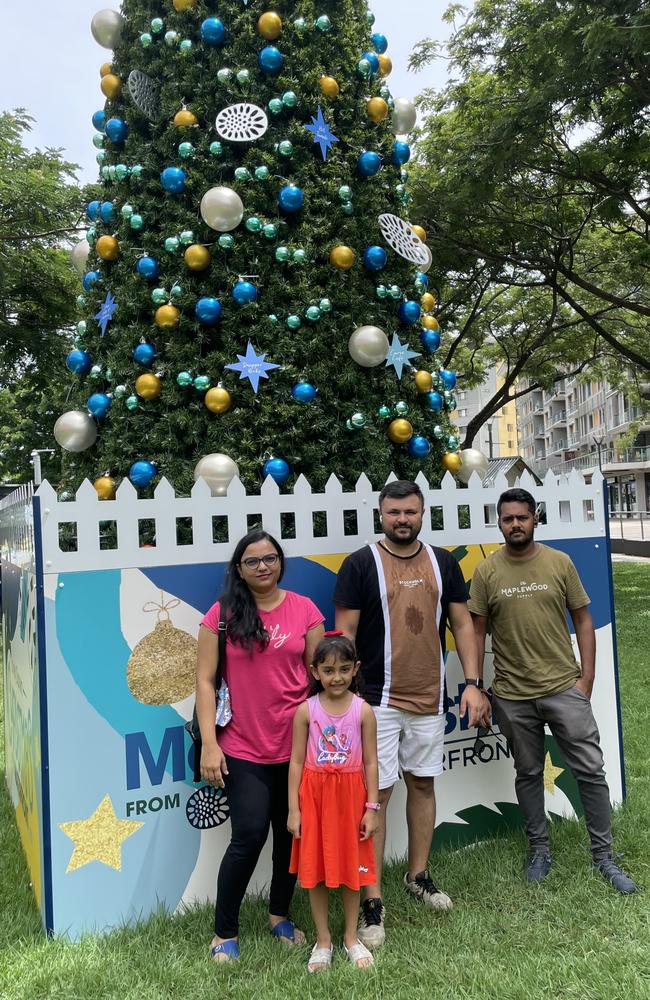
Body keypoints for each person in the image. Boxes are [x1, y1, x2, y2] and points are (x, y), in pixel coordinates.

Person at [334, 479, 488, 947]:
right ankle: (371, 898)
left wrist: (474, 684)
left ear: (423, 514)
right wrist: (345, 701)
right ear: (381, 514)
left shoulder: (444, 563)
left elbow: (461, 622)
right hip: (376, 700)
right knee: (372, 798)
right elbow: (343, 635)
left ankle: (418, 876)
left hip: (429, 696)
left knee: (423, 783)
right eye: (394, 512)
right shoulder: (360, 564)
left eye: (411, 512)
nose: (403, 519)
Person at [469, 487, 636, 893]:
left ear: (534, 519)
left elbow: (583, 619)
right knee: (527, 773)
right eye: (507, 519)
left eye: (521, 518)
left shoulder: (559, 563)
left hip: (564, 687)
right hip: (512, 693)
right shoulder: (487, 572)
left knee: (590, 773)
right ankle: (539, 851)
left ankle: (604, 857)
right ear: (500, 522)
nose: (515, 525)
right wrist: (474, 685)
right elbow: (474, 630)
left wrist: (587, 679)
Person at [195, 528, 325, 961]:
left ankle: (278, 915)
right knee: (248, 837)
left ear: (280, 562)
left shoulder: (305, 610)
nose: (264, 566)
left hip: (297, 747)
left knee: (290, 837)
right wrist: (210, 745)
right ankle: (224, 933)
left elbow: (322, 677)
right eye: (253, 561)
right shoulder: (222, 614)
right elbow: (204, 681)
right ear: (239, 569)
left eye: (271, 558)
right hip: (243, 747)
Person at [288, 632, 379, 972]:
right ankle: (323, 939)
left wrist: (372, 808)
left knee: (351, 870)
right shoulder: (305, 711)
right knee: (316, 872)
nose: (336, 677)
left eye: (343, 669)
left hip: (351, 800)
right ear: (315, 672)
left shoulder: (363, 711)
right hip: (314, 800)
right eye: (328, 670)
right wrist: (294, 809)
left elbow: (371, 762)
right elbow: (296, 761)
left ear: (355, 669)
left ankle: (351, 937)